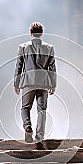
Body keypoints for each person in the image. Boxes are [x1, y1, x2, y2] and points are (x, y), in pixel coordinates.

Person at [14, 22, 56, 150]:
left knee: (25, 108)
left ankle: (27, 127)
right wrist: (53, 84)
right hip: (43, 82)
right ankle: (39, 138)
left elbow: (19, 66)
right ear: (41, 33)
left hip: (28, 82)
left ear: (31, 33)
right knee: (42, 111)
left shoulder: (23, 47)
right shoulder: (49, 47)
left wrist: (16, 83)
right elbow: (52, 67)